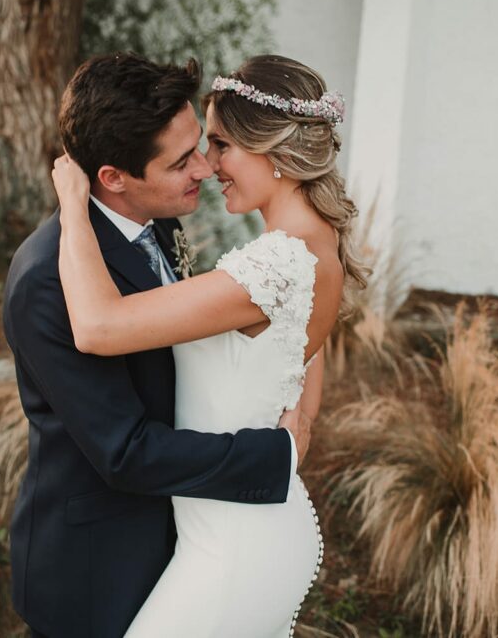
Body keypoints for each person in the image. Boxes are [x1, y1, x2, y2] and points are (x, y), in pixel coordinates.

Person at [50, 54, 366, 637]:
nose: (207, 165)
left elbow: (98, 328)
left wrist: (73, 203)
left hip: (234, 551)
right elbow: (303, 400)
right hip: (243, 530)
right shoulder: (312, 245)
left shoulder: (274, 264)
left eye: (220, 145)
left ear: (269, 150)